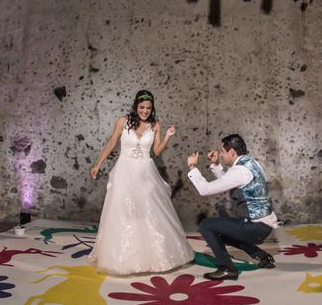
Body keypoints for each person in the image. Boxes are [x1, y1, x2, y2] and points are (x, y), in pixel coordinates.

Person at [89, 90, 193, 274]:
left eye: (148, 108)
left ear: (152, 109)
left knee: (147, 212)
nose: (145, 111)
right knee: (123, 211)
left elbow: (157, 151)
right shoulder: (123, 121)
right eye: (142, 107)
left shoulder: (155, 124)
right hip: (124, 170)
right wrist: (98, 164)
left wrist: (168, 136)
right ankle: (123, 257)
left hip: (145, 172)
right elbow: (112, 143)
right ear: (136, 106)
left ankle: (149, 256)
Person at [186, 134, 278, 280]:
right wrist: (215, 165)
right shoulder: (250, 163)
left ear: (232, 152)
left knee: (206, 225)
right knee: (224, 230)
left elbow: (205, 190)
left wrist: (192, 166)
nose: (221, 155)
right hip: (263, 225)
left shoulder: (240, 170)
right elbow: (229, 181)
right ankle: (262, 256)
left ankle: (227, 268)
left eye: (222, 151)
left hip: (255, 227)